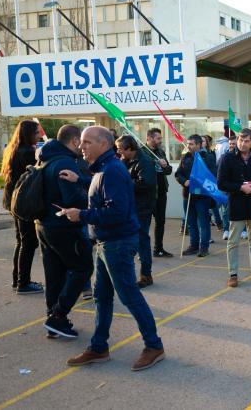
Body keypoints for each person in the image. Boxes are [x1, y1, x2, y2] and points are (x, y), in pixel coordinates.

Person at [63, 126, 164, 371]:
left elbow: (116, 212)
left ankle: (154, 346)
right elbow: (105, 195)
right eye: (81, 142)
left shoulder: (111, 170)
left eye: (87, 142)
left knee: (129, 295)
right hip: (106, 241)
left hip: (117, 243)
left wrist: (82, 215)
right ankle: (98, 347)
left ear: (104, 145)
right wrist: (82, 183)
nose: (81, 146)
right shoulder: (102, 169)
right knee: (102, 296)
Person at [36, 125, 91, 339]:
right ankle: (58, 316)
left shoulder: (45, 158)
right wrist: (92, 198)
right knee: (83, 268)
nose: (83, 146)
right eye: (83, 142)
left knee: (55, 274)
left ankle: (54, 319)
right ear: (75, 140)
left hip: (44, 224)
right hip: (64, 226)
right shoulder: (66, 162)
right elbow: (72, 199)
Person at [217, 128, 251, 287]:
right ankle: (232, 274)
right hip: (237, 204)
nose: (242, 143)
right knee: (233, 241)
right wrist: (240, 187)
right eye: (240, 140)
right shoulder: (227, 158)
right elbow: (221, 183)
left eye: (246, 141)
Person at [0, 119, 44, 294]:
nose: (39, 135)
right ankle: (23, 283)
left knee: (21, 241)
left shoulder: (13, 149)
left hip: (13, 200)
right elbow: (35, 176)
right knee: (29, 242)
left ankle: (17, 279)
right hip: (22, 202)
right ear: (28, 134)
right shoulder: (26, 152)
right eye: (36, 133)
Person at [116, 135, 158, 288]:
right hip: (128, 207)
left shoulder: (145, 162)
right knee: (127, 241)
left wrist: (125, 180)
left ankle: (146, 275)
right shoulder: (124, 161)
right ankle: (126, 274)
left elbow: (146, 183)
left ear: (130, 149)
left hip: (142, 208)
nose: (119, 152)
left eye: (121, 149)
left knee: (141, 241)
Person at [175, 134, 217, 257]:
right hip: (187, 195)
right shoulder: (185, 157)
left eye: (191, 144)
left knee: (203, 223)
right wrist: (184, 181)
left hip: (202, 196)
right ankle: (193, 246)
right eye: (188, 144)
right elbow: (178, 173)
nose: (188, 146)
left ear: (199, 145)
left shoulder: (207, 157)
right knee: (191, 222)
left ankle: (204, 247)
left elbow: (213, 175)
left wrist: (198, 181)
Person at [145, 128, 173, 258]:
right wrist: (155, 162)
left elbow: (168, 170)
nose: (160, 141)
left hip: (162, 192)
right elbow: (141, 169)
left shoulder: (161, 152)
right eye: (158, 138)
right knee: (145, 223)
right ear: (149, 138)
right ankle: (143, 251)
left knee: (160, 221)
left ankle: (159, 248)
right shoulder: (142, 152)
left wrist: (165, 166)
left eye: (160, 138)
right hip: (149, 193)